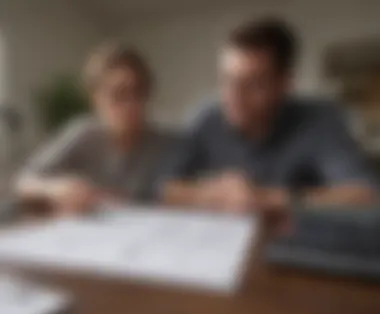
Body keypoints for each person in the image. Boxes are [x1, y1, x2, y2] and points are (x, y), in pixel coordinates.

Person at [159, 18, 377, 215]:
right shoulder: (207, 116)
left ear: (284, 84)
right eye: (227, 80)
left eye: (253, 84)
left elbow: (366, 194)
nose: (233, 96)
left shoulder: (321, 118)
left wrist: (266, 198)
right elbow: (164, 189)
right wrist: (213, 192)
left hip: (292, 246)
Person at [15, 43, 171, 213]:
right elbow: (23, 181)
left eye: (139, 92)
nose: (131, 104)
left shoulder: (164, 142)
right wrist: (56, 188)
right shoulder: (83, 133)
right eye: (119, 94)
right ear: (96, 98)